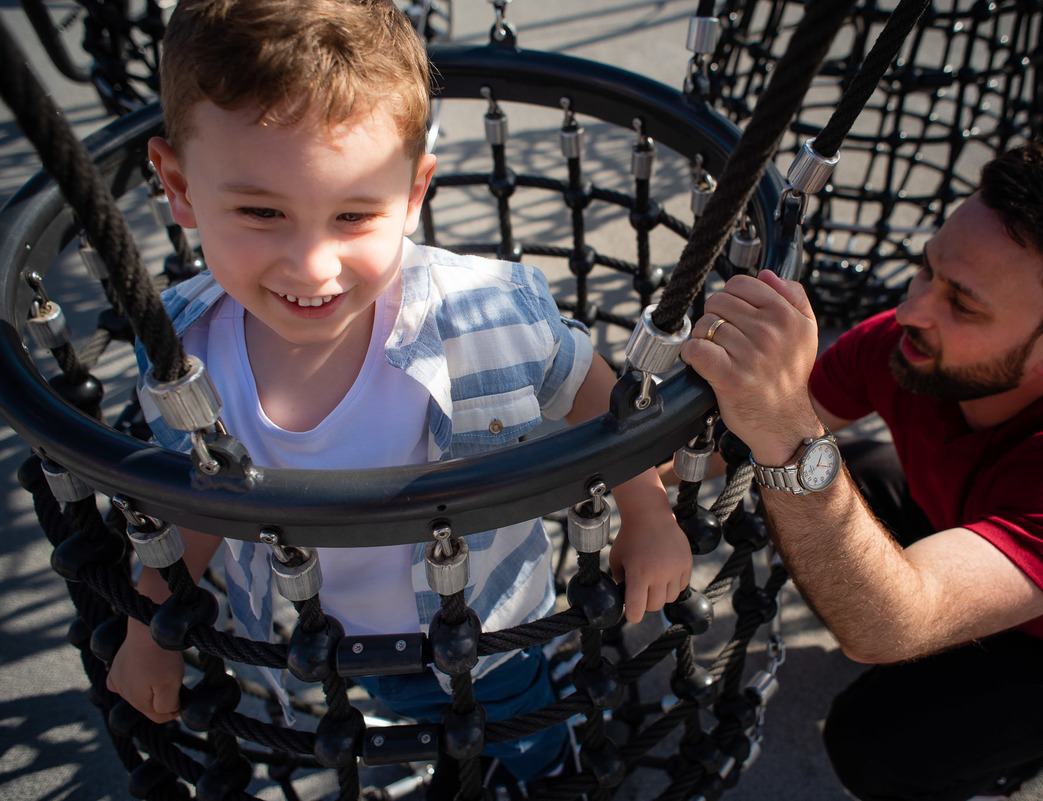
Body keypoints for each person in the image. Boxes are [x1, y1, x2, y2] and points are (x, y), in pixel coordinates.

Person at [105, 0, 692, 785]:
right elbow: (196, 504)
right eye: (260, 211)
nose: (312, 266)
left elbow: (599, 395)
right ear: (178, 187)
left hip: (490, 636)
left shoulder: (482, 312)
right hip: (326, 641)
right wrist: (156, 629)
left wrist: (647, 512)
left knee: (517, 745)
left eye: (354, 214)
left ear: (414, 194)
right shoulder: (189, 351)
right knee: (383, 745)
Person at [683, 141, 1043, 800]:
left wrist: (784, 429)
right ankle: (943, 615)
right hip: (985, 514)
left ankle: (1008, 763)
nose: (911, 309)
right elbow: (738, 435)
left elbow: (883, 628)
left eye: (963, 301)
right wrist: (629, 471)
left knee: (877, 744)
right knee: (849, 471)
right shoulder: (918, 347)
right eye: (928, 270)